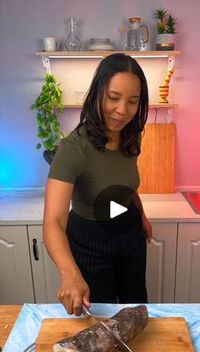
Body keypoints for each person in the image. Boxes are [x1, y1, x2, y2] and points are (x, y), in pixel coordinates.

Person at [43, 53, 152, 316]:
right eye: (113, 98)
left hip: (130, 234)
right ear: (98, 94)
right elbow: (53, 222)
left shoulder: (130, 135)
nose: (122, 110)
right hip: (91, 243)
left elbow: (126, 184)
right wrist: (69, 273)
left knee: (136, 310)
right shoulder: (73, 149)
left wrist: (142, 216)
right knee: (102, 320)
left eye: (133, 101)